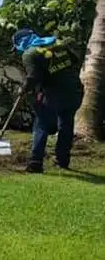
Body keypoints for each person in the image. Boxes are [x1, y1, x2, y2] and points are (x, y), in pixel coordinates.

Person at [12, 28, 85, 173]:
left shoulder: (30, 53)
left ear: (21, 43)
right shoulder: (57, 43)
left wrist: (23, 89)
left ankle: (35, 163)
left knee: (41, 125)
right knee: (66, 125)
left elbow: (32, 77)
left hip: (54, 95)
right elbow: (75, 60)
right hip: (74, 91)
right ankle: (62, 161)